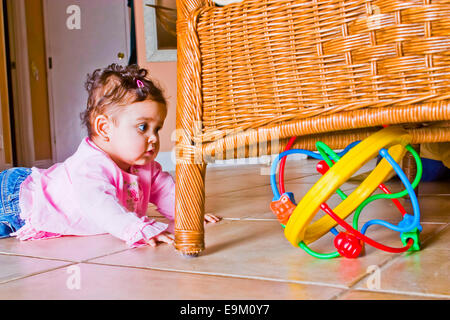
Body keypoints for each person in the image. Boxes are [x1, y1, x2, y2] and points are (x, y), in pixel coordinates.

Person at [0, 63, 220, 248]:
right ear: (104, 128)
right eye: (143, 127)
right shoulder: (89, 166)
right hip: (15, 199)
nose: (153, 137)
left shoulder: (144, 166)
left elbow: (164, 190)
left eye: (157, 129)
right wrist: (135, 227)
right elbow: (100, 206)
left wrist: (185, 212)